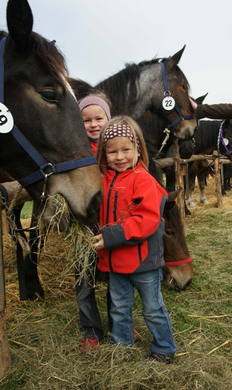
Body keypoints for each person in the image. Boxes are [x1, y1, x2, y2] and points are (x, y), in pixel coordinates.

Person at [93, 115, 177, 363]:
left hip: (143, 262)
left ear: (138, 150)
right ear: (103, 154)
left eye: (126, 150)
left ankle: (164, 347)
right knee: (119, 307)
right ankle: (122, 345)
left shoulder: (144, 181)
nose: (119, 157)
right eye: (112, 152)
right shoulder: (102, 181)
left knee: (152, 308)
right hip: (115, 261)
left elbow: (147, 219)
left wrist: (110, 235)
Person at [76, 92, 112, 352]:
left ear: (108, 119)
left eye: (99, 118)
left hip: (112, 223)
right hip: (83, 226)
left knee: (115, 278)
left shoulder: (115, 148)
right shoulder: (75, 149)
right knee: (83, 278)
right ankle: (90, 330)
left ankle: (119, 322)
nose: (93, 124)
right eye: (86, 120)